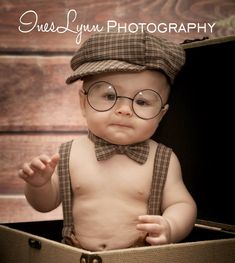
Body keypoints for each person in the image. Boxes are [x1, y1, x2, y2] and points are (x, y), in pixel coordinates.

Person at [18, 31, 197, 251]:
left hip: (141, 257)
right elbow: (45, 205)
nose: (124, 110)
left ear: (161, 115)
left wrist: (171, 227)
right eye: (110, 96)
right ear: (83, 103)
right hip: (77, 256)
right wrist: (39, 184)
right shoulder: (69, 154)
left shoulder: (163, 159)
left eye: (141, 101)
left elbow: (182, 204)